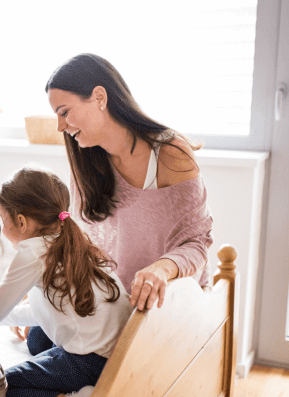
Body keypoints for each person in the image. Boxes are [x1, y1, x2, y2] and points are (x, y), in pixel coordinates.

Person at [17, 53, 214, 363]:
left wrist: (160, 269)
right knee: (37, 337)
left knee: (55, 347)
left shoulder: (170, 152)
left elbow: (197, 243)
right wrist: (44, 289)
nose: (59, 126)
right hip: (112, 298)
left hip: (157, 298)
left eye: (64, 112)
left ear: (99, 97)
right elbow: (79, 240)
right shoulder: (86, 160)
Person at [0, 168, 132, 397]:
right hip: (119, 353)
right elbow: (53, 307)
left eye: (3, 220)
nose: (3, 229)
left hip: (92, 361)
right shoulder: (73, 237)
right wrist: (12, 314)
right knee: (36, 339)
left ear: (21, 222)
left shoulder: (32, 251)